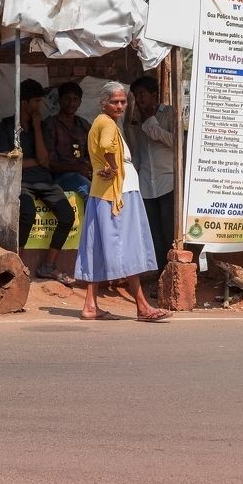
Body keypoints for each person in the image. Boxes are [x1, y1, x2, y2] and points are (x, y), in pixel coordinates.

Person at [74, 81, 172, 322]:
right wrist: (115, 165)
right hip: (118, 195)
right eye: (114, 101)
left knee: (97, 246)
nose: (119, 105)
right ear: (103, 103)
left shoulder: (103, 122)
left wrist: (109, 165)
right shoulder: (106, 123)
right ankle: (142, 306)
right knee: (128, 247)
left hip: (105, 194)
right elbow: (107, 146)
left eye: (122, 101)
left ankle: (90, 305)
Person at [0, 79, 75, 285]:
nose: (40, 106)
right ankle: (16, 265)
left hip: (45, 181)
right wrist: (32, 161)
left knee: (67, 215)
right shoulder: (5, 127)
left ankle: (48, 265)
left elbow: (44, 159)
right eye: (36, 102)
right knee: (27, 213)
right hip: (21, 182)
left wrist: (37, 128)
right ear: (24, 103)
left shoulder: (42, 125)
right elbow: (10, 163)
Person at [125, 75, 176, 272]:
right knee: (152, 232)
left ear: (154, 95)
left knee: (168, 231)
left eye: (142, 94)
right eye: (136, 95)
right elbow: (137, 152)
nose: (139, 99)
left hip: (168, 182)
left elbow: (178, 142)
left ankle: (171, 272)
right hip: (146, 184)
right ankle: (158, 273)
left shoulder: (170, 114)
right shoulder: (137, 121)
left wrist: (153, 127)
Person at [42, 81, 93, 199]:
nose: (71, 103)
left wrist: (89, 167)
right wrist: (77, 168)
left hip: (83, 175)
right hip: (59, 177)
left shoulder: (84, 125)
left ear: (80, 103)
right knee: (88, 190)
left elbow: (90, 155)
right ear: (60, 100)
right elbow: (49, 164)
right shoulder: (50, 125)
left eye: (75, 99)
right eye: (67, 99)